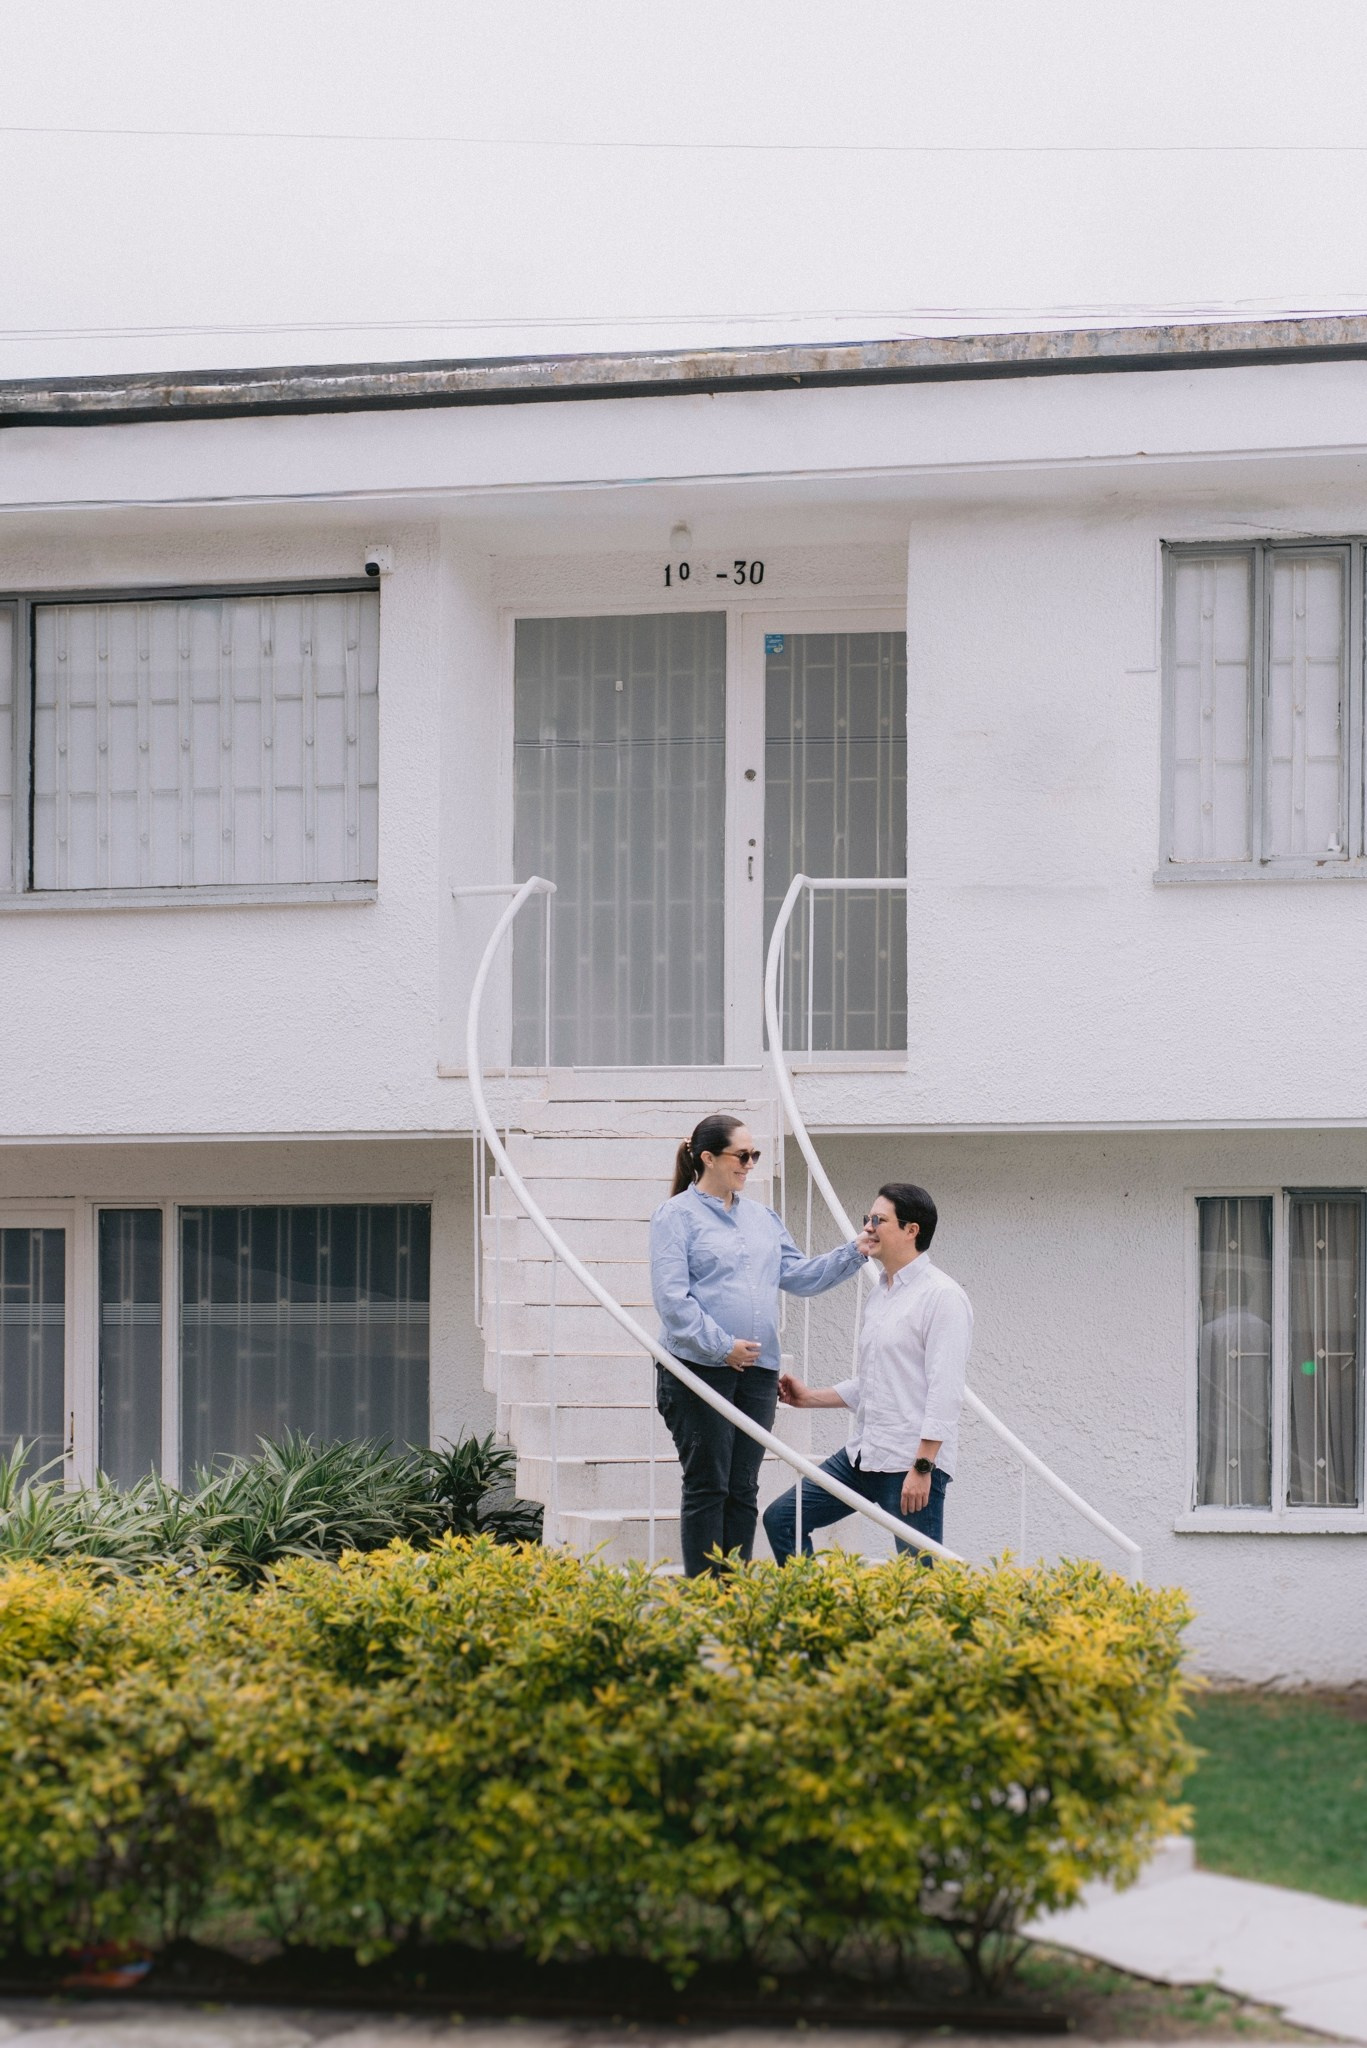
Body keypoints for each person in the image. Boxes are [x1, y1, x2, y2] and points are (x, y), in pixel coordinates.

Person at [650, 1111, 866, 1577]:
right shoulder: (676, 1216)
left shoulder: (762, 1218)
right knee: (709, 1484)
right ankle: (709, 1594)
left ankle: (735, 1592)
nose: (750, 1164)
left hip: (758, 1373)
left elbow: (799, 1276)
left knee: (743, 1486)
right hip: (697, 1369)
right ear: (708, 1158)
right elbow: (672, 1300)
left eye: (755, 1155)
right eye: (742, 1155)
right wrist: (721, 1345)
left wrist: (855, 1251)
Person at [762, 1181, 971, 1564]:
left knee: (918, 1579)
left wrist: (923, 1467)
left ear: (912, 1230)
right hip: (863, 1455)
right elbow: (875, 1383)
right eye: (867, 1219)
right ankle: (815, 1618)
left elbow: (946, 1392)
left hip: (909, 1462)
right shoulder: (881, 1292)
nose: (868, 1228)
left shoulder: (942, 1297)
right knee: (781, 1520)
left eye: (879, 1220)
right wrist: (808, 1397)